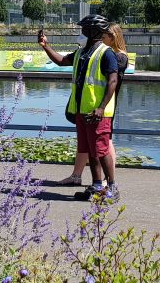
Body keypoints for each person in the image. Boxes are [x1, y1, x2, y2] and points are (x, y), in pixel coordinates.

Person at [38, 14, 120, 201]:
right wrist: (45, 46)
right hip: (83, 112)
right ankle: (97, 185)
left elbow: (113, 81)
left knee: (102, 149)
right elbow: (60, 61)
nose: (80, 33)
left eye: (83, 30)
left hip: (98, 113)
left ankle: (112, 187)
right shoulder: (81, 53)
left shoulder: (106, 53)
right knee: (91, 150)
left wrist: (101, 108)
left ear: (93, 32)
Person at [102, 23, 129, 184]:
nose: (102, 39)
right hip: (108, 102)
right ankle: (107, 178)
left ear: (113, 38)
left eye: (104, 37)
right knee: (106, 140)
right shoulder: (116, 55)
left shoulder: (119, 57)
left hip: (108, 103)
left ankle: (109, 178)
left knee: (107, 141)